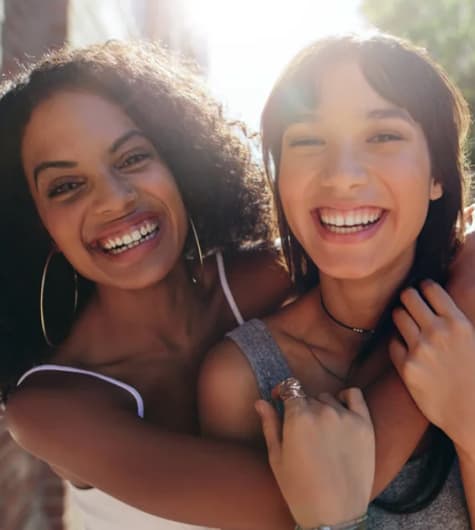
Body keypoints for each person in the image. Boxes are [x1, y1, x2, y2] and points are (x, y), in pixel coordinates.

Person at [199, 33, 475, 529]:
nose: (342, 176)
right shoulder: (241, 381)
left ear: (438, 174)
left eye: (383, 136)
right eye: (307, 140)